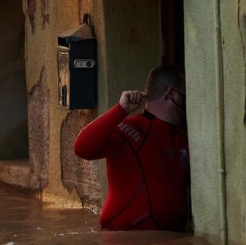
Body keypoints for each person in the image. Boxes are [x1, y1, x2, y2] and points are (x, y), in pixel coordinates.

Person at [73, 65, 190, 232]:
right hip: (124, 241)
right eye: (187, 94)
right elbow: (82, 148)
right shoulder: (132, 129)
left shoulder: (183, 137)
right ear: (171, 95)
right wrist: (121, 109)